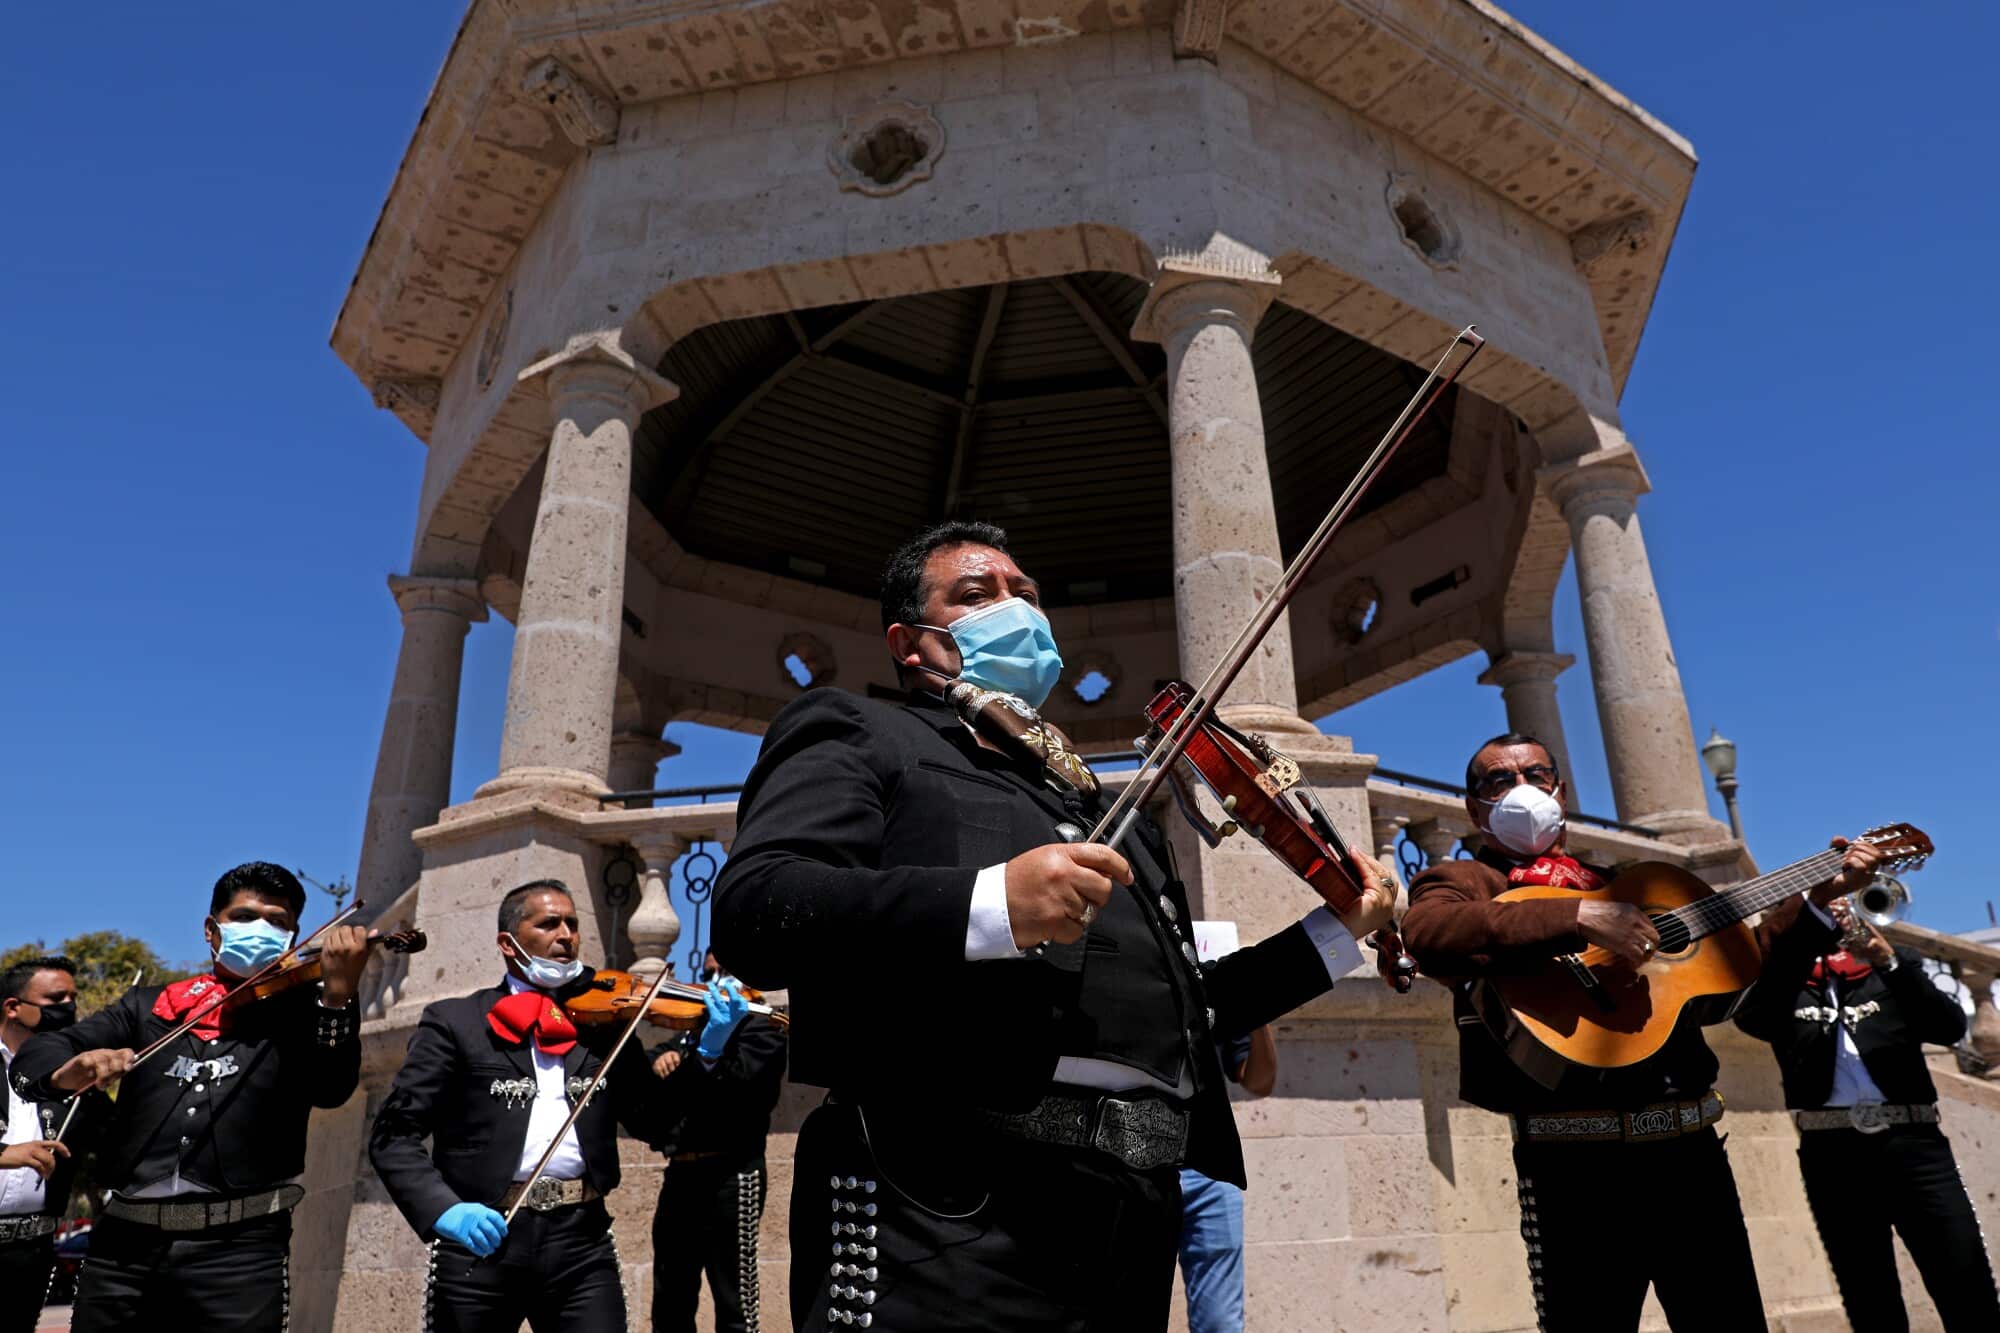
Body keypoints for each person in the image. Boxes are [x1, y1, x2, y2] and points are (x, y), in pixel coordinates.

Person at [712, 520, 1397, 1331]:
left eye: (1024, 593)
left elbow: (1185, 1012)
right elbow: (759, 906)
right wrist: (990, 903)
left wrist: (1334, 929)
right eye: (976, 594)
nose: (1015, 608)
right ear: (909, 642)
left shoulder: (1115, 815)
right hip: (941, 1205)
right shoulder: (862, 730)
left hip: (1130, 1215)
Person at [1400, 732, 1882, 1333]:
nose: (1521, 790)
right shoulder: (1467, 880)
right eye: (1499, 781)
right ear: (1475, 809)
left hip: (1690, 1157)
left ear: (1560, 789)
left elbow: (1737, 973)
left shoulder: (1625, 881)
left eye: (1536, 776)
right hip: (1571, 1170)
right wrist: (1577, 916)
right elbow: (1426, 933)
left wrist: (1814, 903)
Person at [9, 862, 369, 1333]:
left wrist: (339, 998)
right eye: (242, 917)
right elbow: (41, 1052)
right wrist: (63, 1072)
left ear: (295, 935)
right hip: (124, 1246)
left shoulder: (308, 1009)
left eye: (277, 922)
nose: (260, 929)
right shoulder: (148, 1006)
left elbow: (332, 1088)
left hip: (240, 1251)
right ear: (210, 929)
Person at [369, 879, 680, 1333]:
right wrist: (445, 1210)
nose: (567, 935)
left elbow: (658, 1121)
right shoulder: (456, 1022)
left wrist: (707, 1052)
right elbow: (394, 1134)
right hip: (482, 1242)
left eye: (572, 924)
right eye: (549, 923)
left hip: (582, 1242)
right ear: (508, 943)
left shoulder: (606, 1023)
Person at [1735, 895, 2000, 1330]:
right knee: (1868, 1297)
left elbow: (1948, 1027)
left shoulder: (1894, 969)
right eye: (1825, 917)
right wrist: (1799, 943)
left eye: (1841, 914)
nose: (1836, 925)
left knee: (1965, 1283)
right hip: (1831, 1152)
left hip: (1915, 1148)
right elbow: (1756, 1019)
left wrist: (1889, 960)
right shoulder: (1782, 984)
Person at [647, 951, 787, 1333]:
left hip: (731, 1174)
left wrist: (706, 1057)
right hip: (681, 1174)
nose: (714, 979)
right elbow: (657, 1063)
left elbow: (742, 1090)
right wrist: (678, 1056)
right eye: (709, 972)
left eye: (724, 970)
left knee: (735, 1301)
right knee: (671, 1297)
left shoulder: (763, 1028)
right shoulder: (692, 1030)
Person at [0, 956, 108, 1333]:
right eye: (56, 1000)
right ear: (13, 1008)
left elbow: (115, 1143)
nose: (70, 1009)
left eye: (73, 999)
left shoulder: (72, 1074)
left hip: (32, 1250)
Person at [1176, 1024, 1276, 1333]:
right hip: (1133, 1162)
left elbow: (1259, 1081)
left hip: (1208, 1173)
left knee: (1221, 1325)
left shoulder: (1215, 974)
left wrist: (1260, 1018)